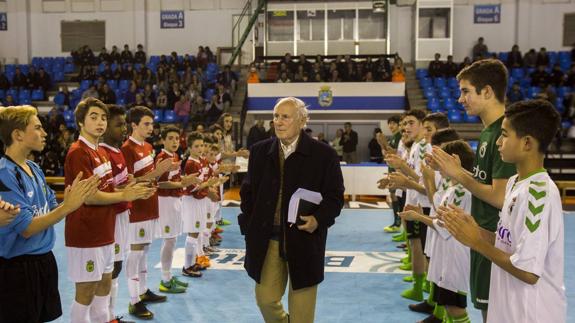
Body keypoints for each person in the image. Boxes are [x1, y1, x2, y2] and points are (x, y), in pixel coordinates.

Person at [441, 100, 565, 323]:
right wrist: (472, 230)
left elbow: (528, 271)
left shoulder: (539, 193)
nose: (498, 141)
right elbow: (506, 243)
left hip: (530, 314)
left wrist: (477, 243)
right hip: (509, 309)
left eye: (505, 135)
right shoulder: (515, 183)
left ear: (527, 143)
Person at [239, 97, 344, 323]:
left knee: (302, 315)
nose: (278, 121)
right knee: (265, 299)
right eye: (275, 116)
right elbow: (247, 193)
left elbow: (335, 197)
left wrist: (318, 219)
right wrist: (249, 224)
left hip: (304, 240)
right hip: (269, 239)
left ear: (302, 120)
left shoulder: (324, 155)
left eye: (285, 116)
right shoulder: (259, 152)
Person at [429, 59, 516, 322]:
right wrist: (461, 173)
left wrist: (459, 176)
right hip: (483, 237)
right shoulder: (489, 132)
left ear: (487, 92)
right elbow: (487, 185)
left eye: (466, 91)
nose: (459, 99)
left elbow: (500, 197)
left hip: (494, 239)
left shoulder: (504, 132)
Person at [0, 106, 99, 323]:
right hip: (19, 268)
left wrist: (77, 199)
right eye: (37, 128)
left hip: (44, 259)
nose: (44, 133)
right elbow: (26, 228)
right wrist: (67, 207)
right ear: (17, 134)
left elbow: (52, 207)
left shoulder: (34, 167)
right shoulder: (5, 173)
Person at [64, 98, 155, 323]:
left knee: (104, 287)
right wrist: (124, 195)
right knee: (85, 293)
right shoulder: (78, 152)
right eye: (93, 117)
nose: (100, 122)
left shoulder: (100, 152)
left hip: (105, 229)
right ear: (80, 122)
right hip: (86, 233)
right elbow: (89, 196)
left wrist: (130, 188)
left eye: (103, 117)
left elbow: (109, 188)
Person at [121, 106, 179, 319]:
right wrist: (157, 172)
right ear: (133, 125)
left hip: (149, 205)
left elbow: (149, 178)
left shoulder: (147, 147)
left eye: (151, 124)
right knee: (135, 253)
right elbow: (126, 182)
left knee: (144, 251)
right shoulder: (126, 149)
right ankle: (133, 301)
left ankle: (143, 292)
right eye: (146, 124)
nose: (150, 128)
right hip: (136, 208)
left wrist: (156, 175)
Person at [155, 125, 199, 293]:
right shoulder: (162, 157)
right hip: (165, 201)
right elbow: (159, 183)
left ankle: (168, 276)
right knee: (169, 240)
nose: (174, 141)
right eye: (170, 138)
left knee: (172, 240)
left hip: (174, 200)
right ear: (163, 140)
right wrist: (182, 183)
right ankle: (165, 280)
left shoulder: (174, 155)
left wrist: (185, 180)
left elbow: (176, 179)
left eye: (176, 138)